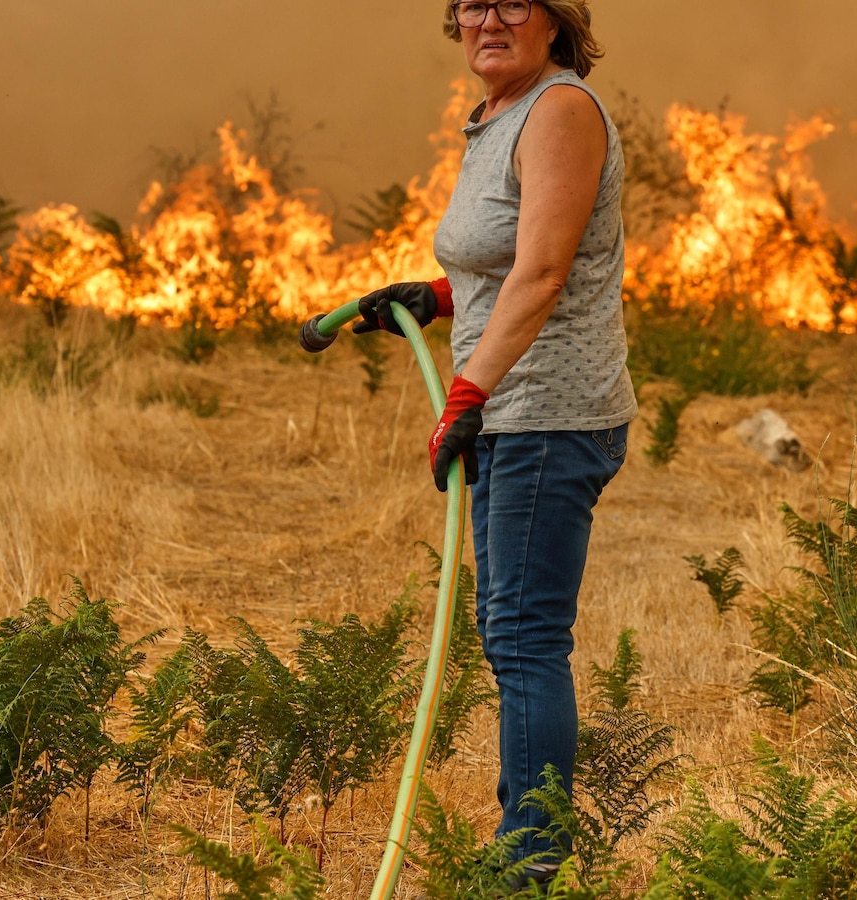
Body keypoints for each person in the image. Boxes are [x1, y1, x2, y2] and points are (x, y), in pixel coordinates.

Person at [352, 0, 636, 883]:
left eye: (513, 2)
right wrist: (434, 298)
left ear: (554, 21)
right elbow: (510, 252)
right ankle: (527, 849)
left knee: (523, 640)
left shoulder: (559, 111)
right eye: (472, 3)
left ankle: (530, 867)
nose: (488, 19)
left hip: (546, 413)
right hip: (514, 413)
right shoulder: (496, 117)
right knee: (511, 634)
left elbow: (548, 268)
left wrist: (468, 390)